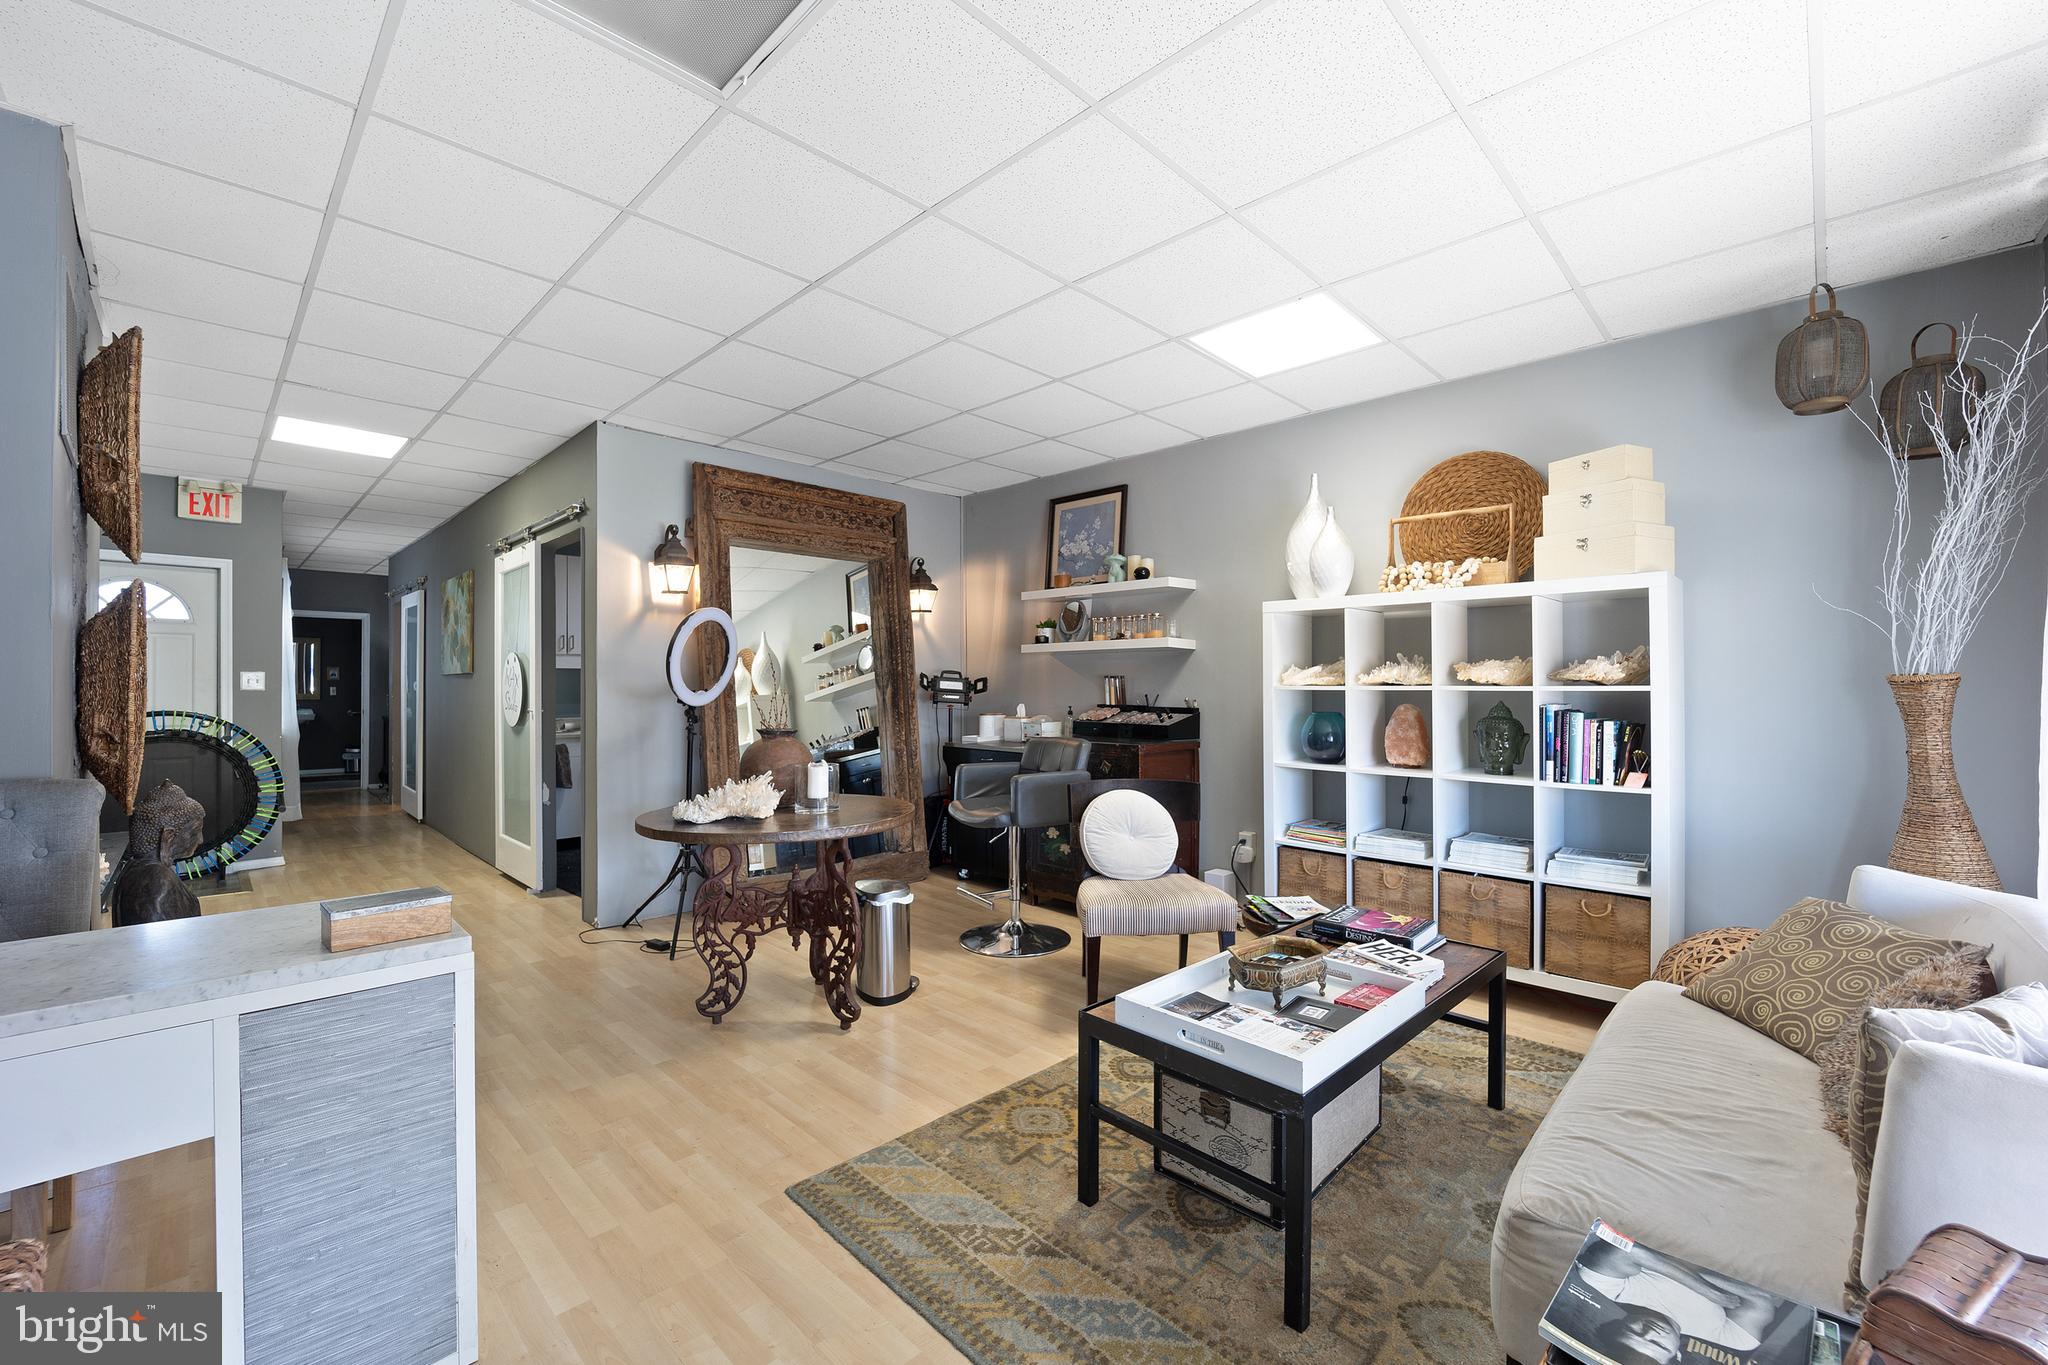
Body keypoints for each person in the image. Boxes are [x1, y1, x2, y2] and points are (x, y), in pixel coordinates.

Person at [1571, 1235, 1778, 1362]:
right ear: (1676, 1355)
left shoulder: (1609, 1289)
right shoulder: (1733, 1340)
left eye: (1634, 1332)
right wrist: (1663, 1264)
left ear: (1619, 1323)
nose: (1651, 1332)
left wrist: (1707, 1290)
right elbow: (1761, 1300)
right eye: (1659, 1345)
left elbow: (1626, 1250)